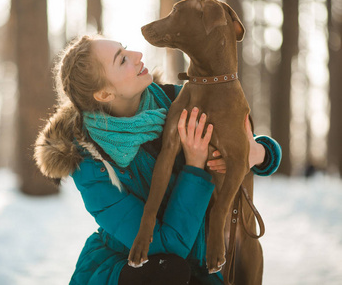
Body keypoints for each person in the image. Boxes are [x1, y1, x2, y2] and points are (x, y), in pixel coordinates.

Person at [34, 35, 282, 285]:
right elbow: (164, 246)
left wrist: (258, 153)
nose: (138, 56)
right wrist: (195, 167)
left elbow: (249, 143)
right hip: (133, 269)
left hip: (198, 260)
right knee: (170, 271)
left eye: (126, 49)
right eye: (122, 60)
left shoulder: (177, 100)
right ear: (104, 94)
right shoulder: (88, 162)